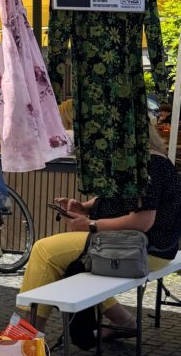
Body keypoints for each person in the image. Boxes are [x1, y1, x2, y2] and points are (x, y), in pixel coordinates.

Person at [18, 119, 181, 335]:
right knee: (62, 261)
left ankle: (26, 337)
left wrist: (91, 225)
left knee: (44, 251)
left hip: (143, 249)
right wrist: (83, 207)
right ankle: (122, 320)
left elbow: (142, 221)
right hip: (145, 245)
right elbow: (118, 199)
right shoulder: (145, 160)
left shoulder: (148, 164)